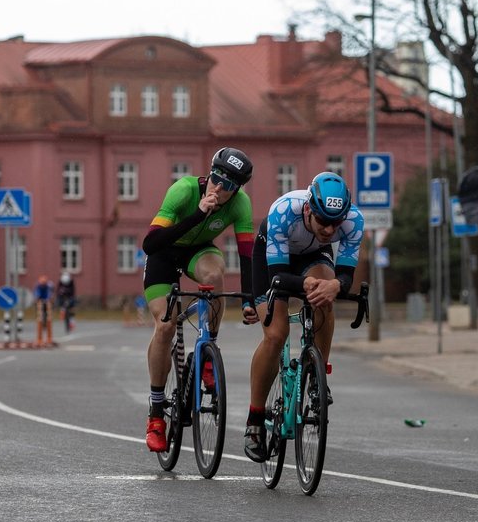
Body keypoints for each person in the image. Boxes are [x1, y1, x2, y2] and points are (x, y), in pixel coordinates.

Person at [141, 147, 258, 453]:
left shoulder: (241, 205)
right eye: (216, 178)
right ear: (209, 173)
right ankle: (156, 415)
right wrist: (198, 214)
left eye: (229, 185)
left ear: (238, 190)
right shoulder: (183, 190)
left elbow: (247, 257)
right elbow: (150, 243)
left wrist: (249, 300)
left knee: (216, 276)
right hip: (164, 252)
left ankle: (208, 352)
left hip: (199, 251)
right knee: (166, 326)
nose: (219, 188)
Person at [243, 171, 364, 462]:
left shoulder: (353, 220)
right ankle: (254, 420)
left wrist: (335, 285)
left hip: (313, 256)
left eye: (336, 224)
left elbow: (345, 276)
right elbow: (278, 278)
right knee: (275, 335)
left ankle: (316, 376)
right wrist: (303, 284)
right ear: (309, 209)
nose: (329, 230)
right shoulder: (284, 211)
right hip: (273, 259)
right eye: (323, 221)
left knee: (325, 297)